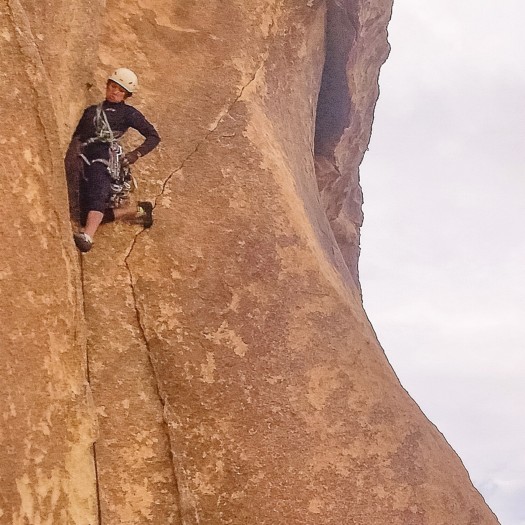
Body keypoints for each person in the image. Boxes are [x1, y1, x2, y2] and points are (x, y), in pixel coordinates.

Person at [71, 67, 160, 253]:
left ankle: (88, 237)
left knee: (98, 192)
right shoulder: (90, 112)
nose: (115, 92)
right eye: (113, 87)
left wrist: (136, 154)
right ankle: (136, 210)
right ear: (107, 86)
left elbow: (153, 136)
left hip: (104, 157)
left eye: (121, 90)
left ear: (126, 95)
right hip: (84, 159)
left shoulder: (128, 113)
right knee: (84, 216)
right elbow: (77, 136)